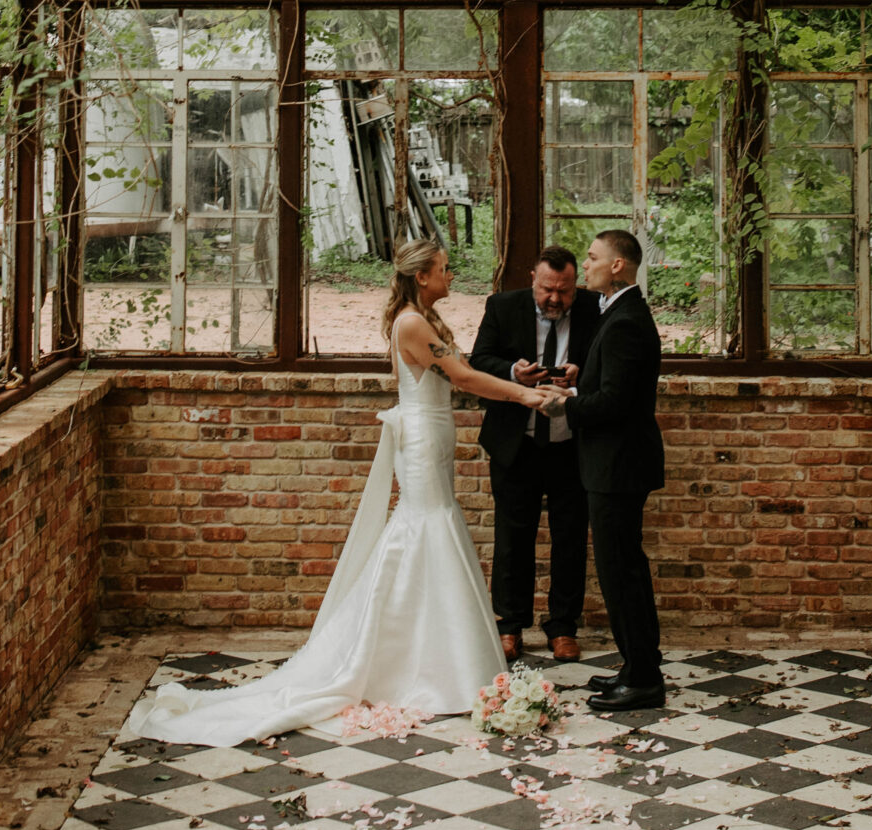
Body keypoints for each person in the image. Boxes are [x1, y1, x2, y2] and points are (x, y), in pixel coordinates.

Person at [128, 239, 558, 745]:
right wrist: (527, 395)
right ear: (421, 276)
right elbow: (462, 376)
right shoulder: (411, 322)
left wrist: (515, 377)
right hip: (421, 440)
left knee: (432, 528)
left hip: (434, 435)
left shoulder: (419, 317)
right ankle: (413, 664)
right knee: (425, 527)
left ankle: (429, 657)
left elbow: (456, 375)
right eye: (443, 269)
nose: (450, 275)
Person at [469, 246, 600, 663]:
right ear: (533, 279)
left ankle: (563, 626)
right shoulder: (502, 306)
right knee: (512, 537)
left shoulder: (596, 308)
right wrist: (513, 374)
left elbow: (612, 366)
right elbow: (479, 361)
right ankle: (510, 626)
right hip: (516, 442)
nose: (556, 299)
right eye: (547, 290)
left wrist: (584, 374)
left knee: (570, 537)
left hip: (571, 443)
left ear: (575, 284)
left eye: (564, 291)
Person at [556, 229, 666, 711]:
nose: (587, 264)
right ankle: (635, 664)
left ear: (618, 265)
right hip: (616, 465)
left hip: (618, 467)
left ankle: (642, 677)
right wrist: (584, 380)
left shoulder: (624, 320)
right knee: (624, 569)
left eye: (593, 256)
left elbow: (617, 403)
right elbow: (614, 384)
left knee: (621, 572)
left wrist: (565, 403)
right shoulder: (618, 312)